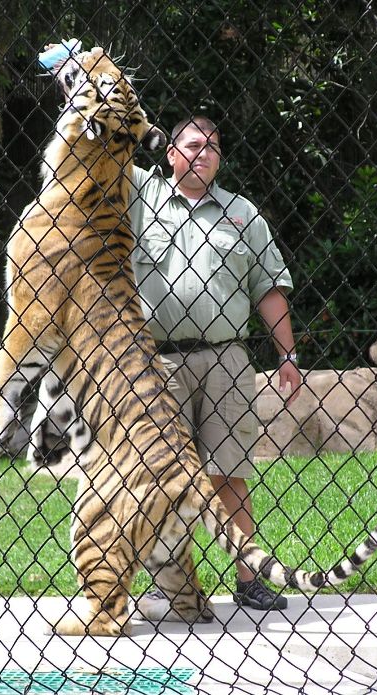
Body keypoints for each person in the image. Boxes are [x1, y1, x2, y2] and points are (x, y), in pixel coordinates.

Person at [129, 115, 301, 611]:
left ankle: (248, 578)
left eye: (213, 146)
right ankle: (173, 585)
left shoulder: (243, 214)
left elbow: (267, 287)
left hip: (227, 358)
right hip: (156, 363)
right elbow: (100, 157)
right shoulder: (142, 198)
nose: (204, 153)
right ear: (170, 153)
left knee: (229, 472)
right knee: (158, 477)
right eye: (193, 144)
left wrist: (287, 354)